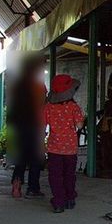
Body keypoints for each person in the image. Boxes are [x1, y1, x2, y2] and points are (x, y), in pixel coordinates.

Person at [7, 57, 47, 198]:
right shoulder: (38, 86)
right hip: (35, 125)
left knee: (22, 157)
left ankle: (16, 185)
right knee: (35, 158)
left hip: (20, 126)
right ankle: (32, 188)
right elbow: (42, 105)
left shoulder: (17, 85)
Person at [44, 74, 84, 213]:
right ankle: (70, 199)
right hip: (70, 149)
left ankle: (59, 202)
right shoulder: (74, 107)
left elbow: (42, 125)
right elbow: (79, 125)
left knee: (55, 176)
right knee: (69, 174)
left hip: (54, 148)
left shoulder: (48, 107)